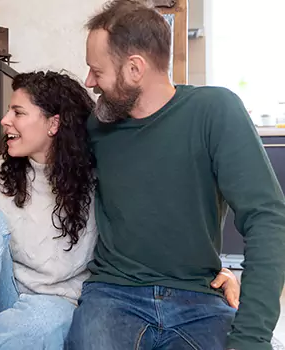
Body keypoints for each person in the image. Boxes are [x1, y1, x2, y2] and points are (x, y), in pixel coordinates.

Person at [0, 70, 243, 350]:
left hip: (54, 307)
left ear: (54, 123)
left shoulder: (98, 179)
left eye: (18, 112)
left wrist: (211, 271)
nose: (5, 120)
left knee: (50, 320)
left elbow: (148, 231)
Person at [65, 1, 285, 349]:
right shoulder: (97, 126)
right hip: (114, 295)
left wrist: (251, 338)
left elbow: (267, 219)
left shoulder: (214, 111)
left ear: (134, 69)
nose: (90, 82)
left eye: (97, 71)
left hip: (199, 298)